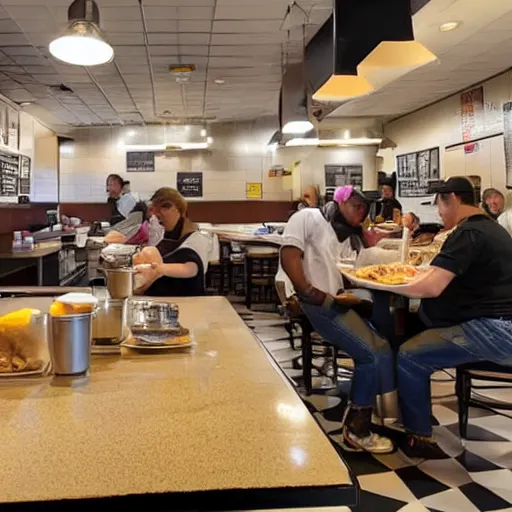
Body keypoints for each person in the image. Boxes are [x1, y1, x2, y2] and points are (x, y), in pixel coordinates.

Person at [394, 177, 512, 459]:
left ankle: (418, 437)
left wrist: (387, 283)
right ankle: (414, 413)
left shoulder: (469, 233)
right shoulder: (492, 229)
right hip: (496, 325)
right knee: (414, 331)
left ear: (454, 200)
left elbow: (432, 286)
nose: (439, 213)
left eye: (440, 205)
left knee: (410, 355)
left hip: (493, 331)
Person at [280, 185, 395, 454]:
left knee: (382, 346)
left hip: (337, 301)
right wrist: (308, 291)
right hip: (315, 303)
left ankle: (381, 413)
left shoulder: (348, 235)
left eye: (366, 210)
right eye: (357, 207)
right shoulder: (308, 217)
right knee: (368, 354)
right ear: (340, 202)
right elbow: (289, 254)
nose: (362, 214)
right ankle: (356, 430)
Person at [134, 188, 209, 297]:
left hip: (187, 305)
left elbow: (192, 269)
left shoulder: (196, 239)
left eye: (164, 208)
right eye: (155, 210)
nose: (157, 215)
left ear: (179, 210)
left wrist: (159, 269)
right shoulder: (166, 238)